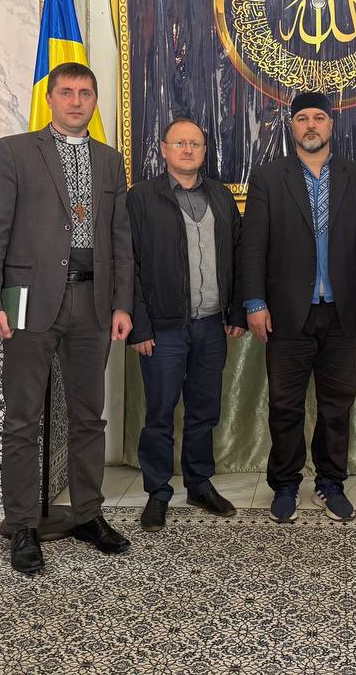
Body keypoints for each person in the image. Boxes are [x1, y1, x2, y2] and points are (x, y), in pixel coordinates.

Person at [0, 62, 134, 574]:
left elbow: (121, 239)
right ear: (51, 99)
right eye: (66, 92)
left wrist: (122, 304)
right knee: (23, 418)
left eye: (85, 93)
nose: (76, 101)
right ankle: (22, 524)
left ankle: (88, 514)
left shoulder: (109, 160)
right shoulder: (15, 151)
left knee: (89, 416)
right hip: (29, 300)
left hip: (94, 303)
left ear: (94, 100)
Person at [240, 91, 356, 523]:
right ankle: (285, 484)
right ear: (292, 126)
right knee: (284, 405)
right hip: (287, 312)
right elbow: (253, 246)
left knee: (337, 404)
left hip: (344, 313)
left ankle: (330, 482)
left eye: (319, 118)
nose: (310, 125)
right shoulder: (269, 177)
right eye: (302, 118)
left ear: (331, 125)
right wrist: (254, 302)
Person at [127, 117, 247, 531]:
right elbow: (130, 265)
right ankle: (158, 492)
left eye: (195, 143)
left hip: (211, 325)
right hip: (163, 328)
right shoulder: (142, 198)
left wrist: (236, 311)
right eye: (179, 143)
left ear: (204, 150)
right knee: (160, 414)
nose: (188, 150)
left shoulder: (220, 196)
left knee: (204, 411)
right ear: (164, 149)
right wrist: (140, 326)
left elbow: (238, 254)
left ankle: (199, 484)